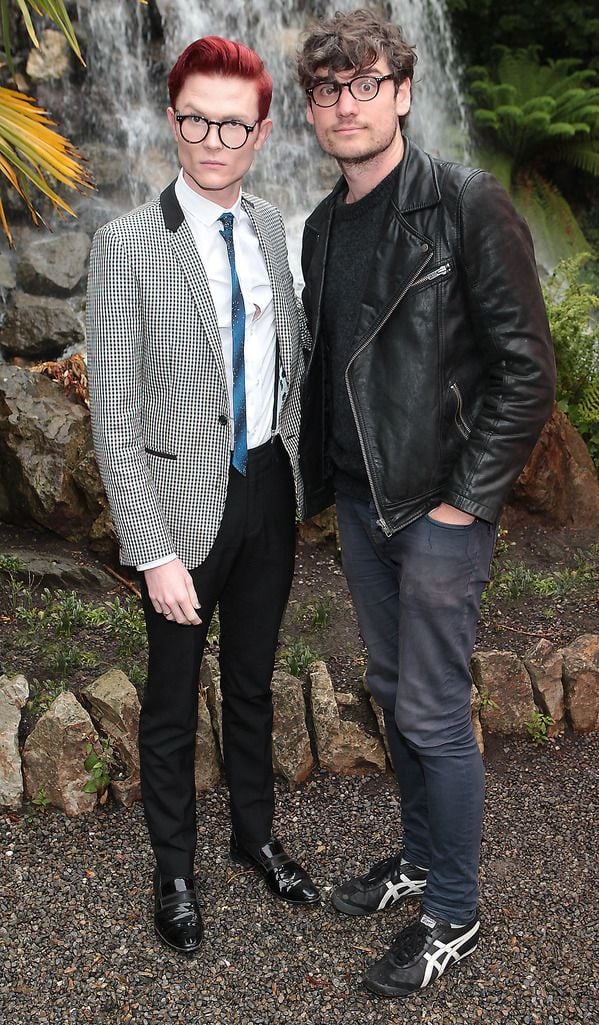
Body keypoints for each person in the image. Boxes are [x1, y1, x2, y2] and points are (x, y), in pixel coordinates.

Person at [297, 8, 555, 998]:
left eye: (364, 84)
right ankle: (412, 861)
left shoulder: (461, 203)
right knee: (393, 690)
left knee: (437, 711)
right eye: (327, 90)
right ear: (313, 112)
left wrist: (462, 502)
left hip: (437, 505)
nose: (345, 104)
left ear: (402, 91)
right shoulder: (319, 227)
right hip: (362, 505)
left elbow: (524, 373)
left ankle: (452, 911)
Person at [87, 35, 320, 956]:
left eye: (233, 123)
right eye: (196, 119)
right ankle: (173, 867)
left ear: (261, 133)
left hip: (267, 485)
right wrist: (151, 548)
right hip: (179, 503)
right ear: (172, 119)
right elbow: (109, 410)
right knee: (173, 696)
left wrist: (294, 470)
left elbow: (289, 361)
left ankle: (254, 835)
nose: (212, 139)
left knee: (256, 678)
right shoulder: (125, 244)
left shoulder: (271, 227)